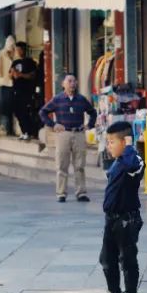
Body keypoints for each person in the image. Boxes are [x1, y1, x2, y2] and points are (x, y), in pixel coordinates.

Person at [96, 121, 145, 293]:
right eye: (107, 142)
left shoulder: (134, 159)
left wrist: (130, 146)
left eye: (112, 142)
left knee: (127, 258)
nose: (108, 146)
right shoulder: (117, 162)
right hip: (112, 218)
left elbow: (134, 165)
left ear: (125, 141)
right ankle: (113, 292)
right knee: (107, 258)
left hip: (127, 219)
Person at [39, 73, 96, 203]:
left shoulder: (81, 99)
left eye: (74, 81)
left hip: (79, 133)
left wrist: (89, 125)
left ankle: (81, 192)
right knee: (61, 165)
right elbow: (43, 112)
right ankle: (61, 193)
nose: (72, 83)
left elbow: (92, 112)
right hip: (63, 133)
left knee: (80, 165)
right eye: (69, 81)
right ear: (63, 84)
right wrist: (53, 125)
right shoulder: (57, 99)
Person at [10, 42, 41, 141]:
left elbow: (33, 75)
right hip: (16, 91)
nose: (19, 52)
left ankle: (30, 131)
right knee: (17, 111)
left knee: (26, 112)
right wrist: (14, 74)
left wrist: (21, 75)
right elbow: (11, 74)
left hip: (27, 91)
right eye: (17, 50)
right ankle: (23, 131)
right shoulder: (15, 62)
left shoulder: (30, 62)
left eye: (20, 49)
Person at [0, 36, 18, 136]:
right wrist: (0, 76)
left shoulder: (15, 54)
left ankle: (12, 129)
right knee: (5, 107)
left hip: (13, 83)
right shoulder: (2, 53)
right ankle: (5, 129)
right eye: (11, 45)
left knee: (13, 106)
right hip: (4, 83)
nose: (12, 47)